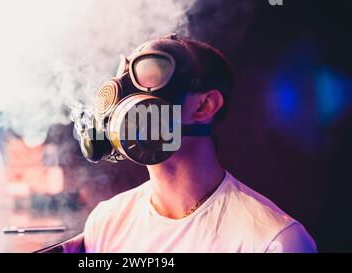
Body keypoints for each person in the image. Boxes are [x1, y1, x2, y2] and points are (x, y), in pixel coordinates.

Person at [74, 35, 317, 253]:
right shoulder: (105, 222)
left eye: (151, 80)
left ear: (205, 106)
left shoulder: (274, 241)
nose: (126, 99)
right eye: (126, 80)